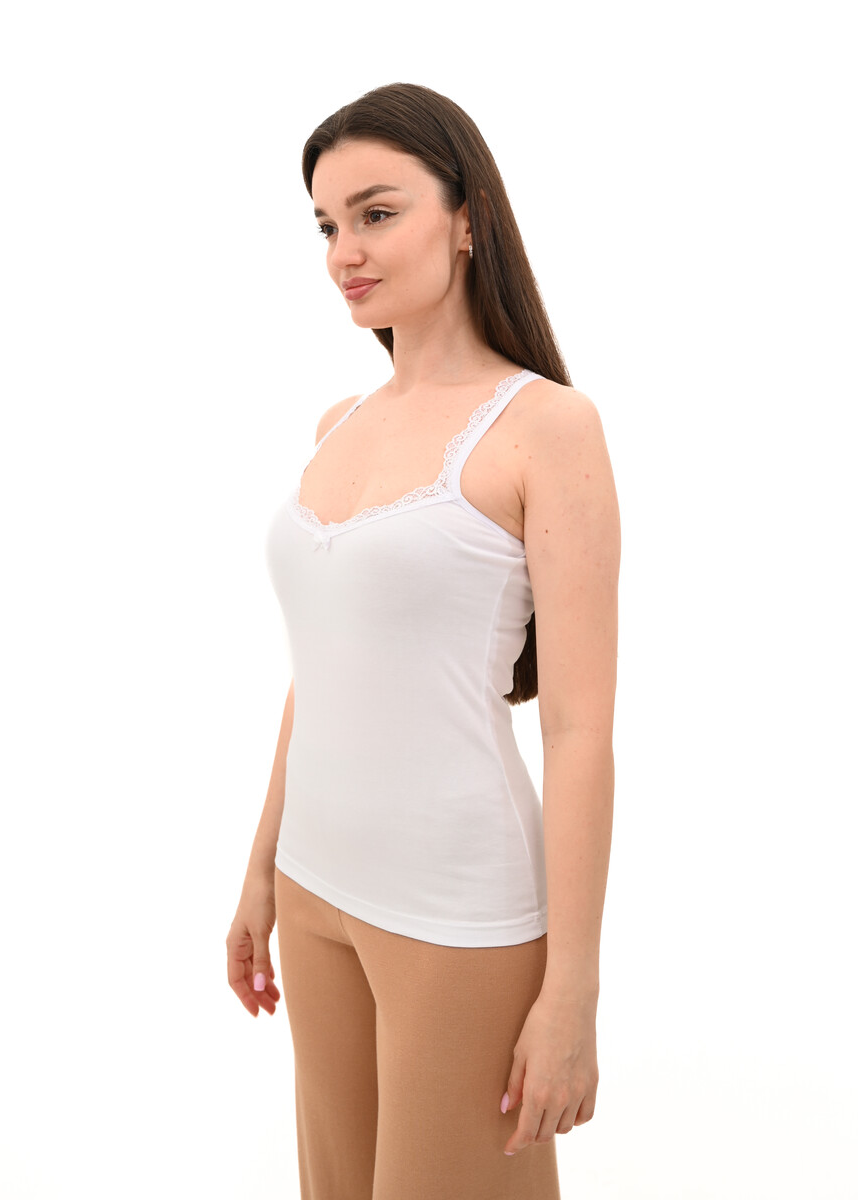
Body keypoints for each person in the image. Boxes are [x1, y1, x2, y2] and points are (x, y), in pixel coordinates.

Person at [226, 82, 620, 1200]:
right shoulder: (337, 425)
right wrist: (259, 869)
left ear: (467, 219)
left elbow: (581, 730)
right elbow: (320, 675)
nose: (344, 252)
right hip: (314, 886)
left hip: (455, 907)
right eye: (326, 225)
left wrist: (572, 990)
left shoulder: (547, 427)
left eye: (377, 213)